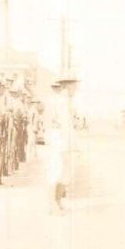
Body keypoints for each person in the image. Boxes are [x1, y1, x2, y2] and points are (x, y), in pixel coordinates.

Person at [46, 73, 79, 211]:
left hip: (65, 140)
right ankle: (52, 204)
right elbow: (57, 124)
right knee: (56, 170)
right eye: (74, 86)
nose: (76, 89)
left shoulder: (68, 102)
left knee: (65, 172)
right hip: (58, 139)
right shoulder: (59, 101)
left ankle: (58, 201)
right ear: (66, 86)